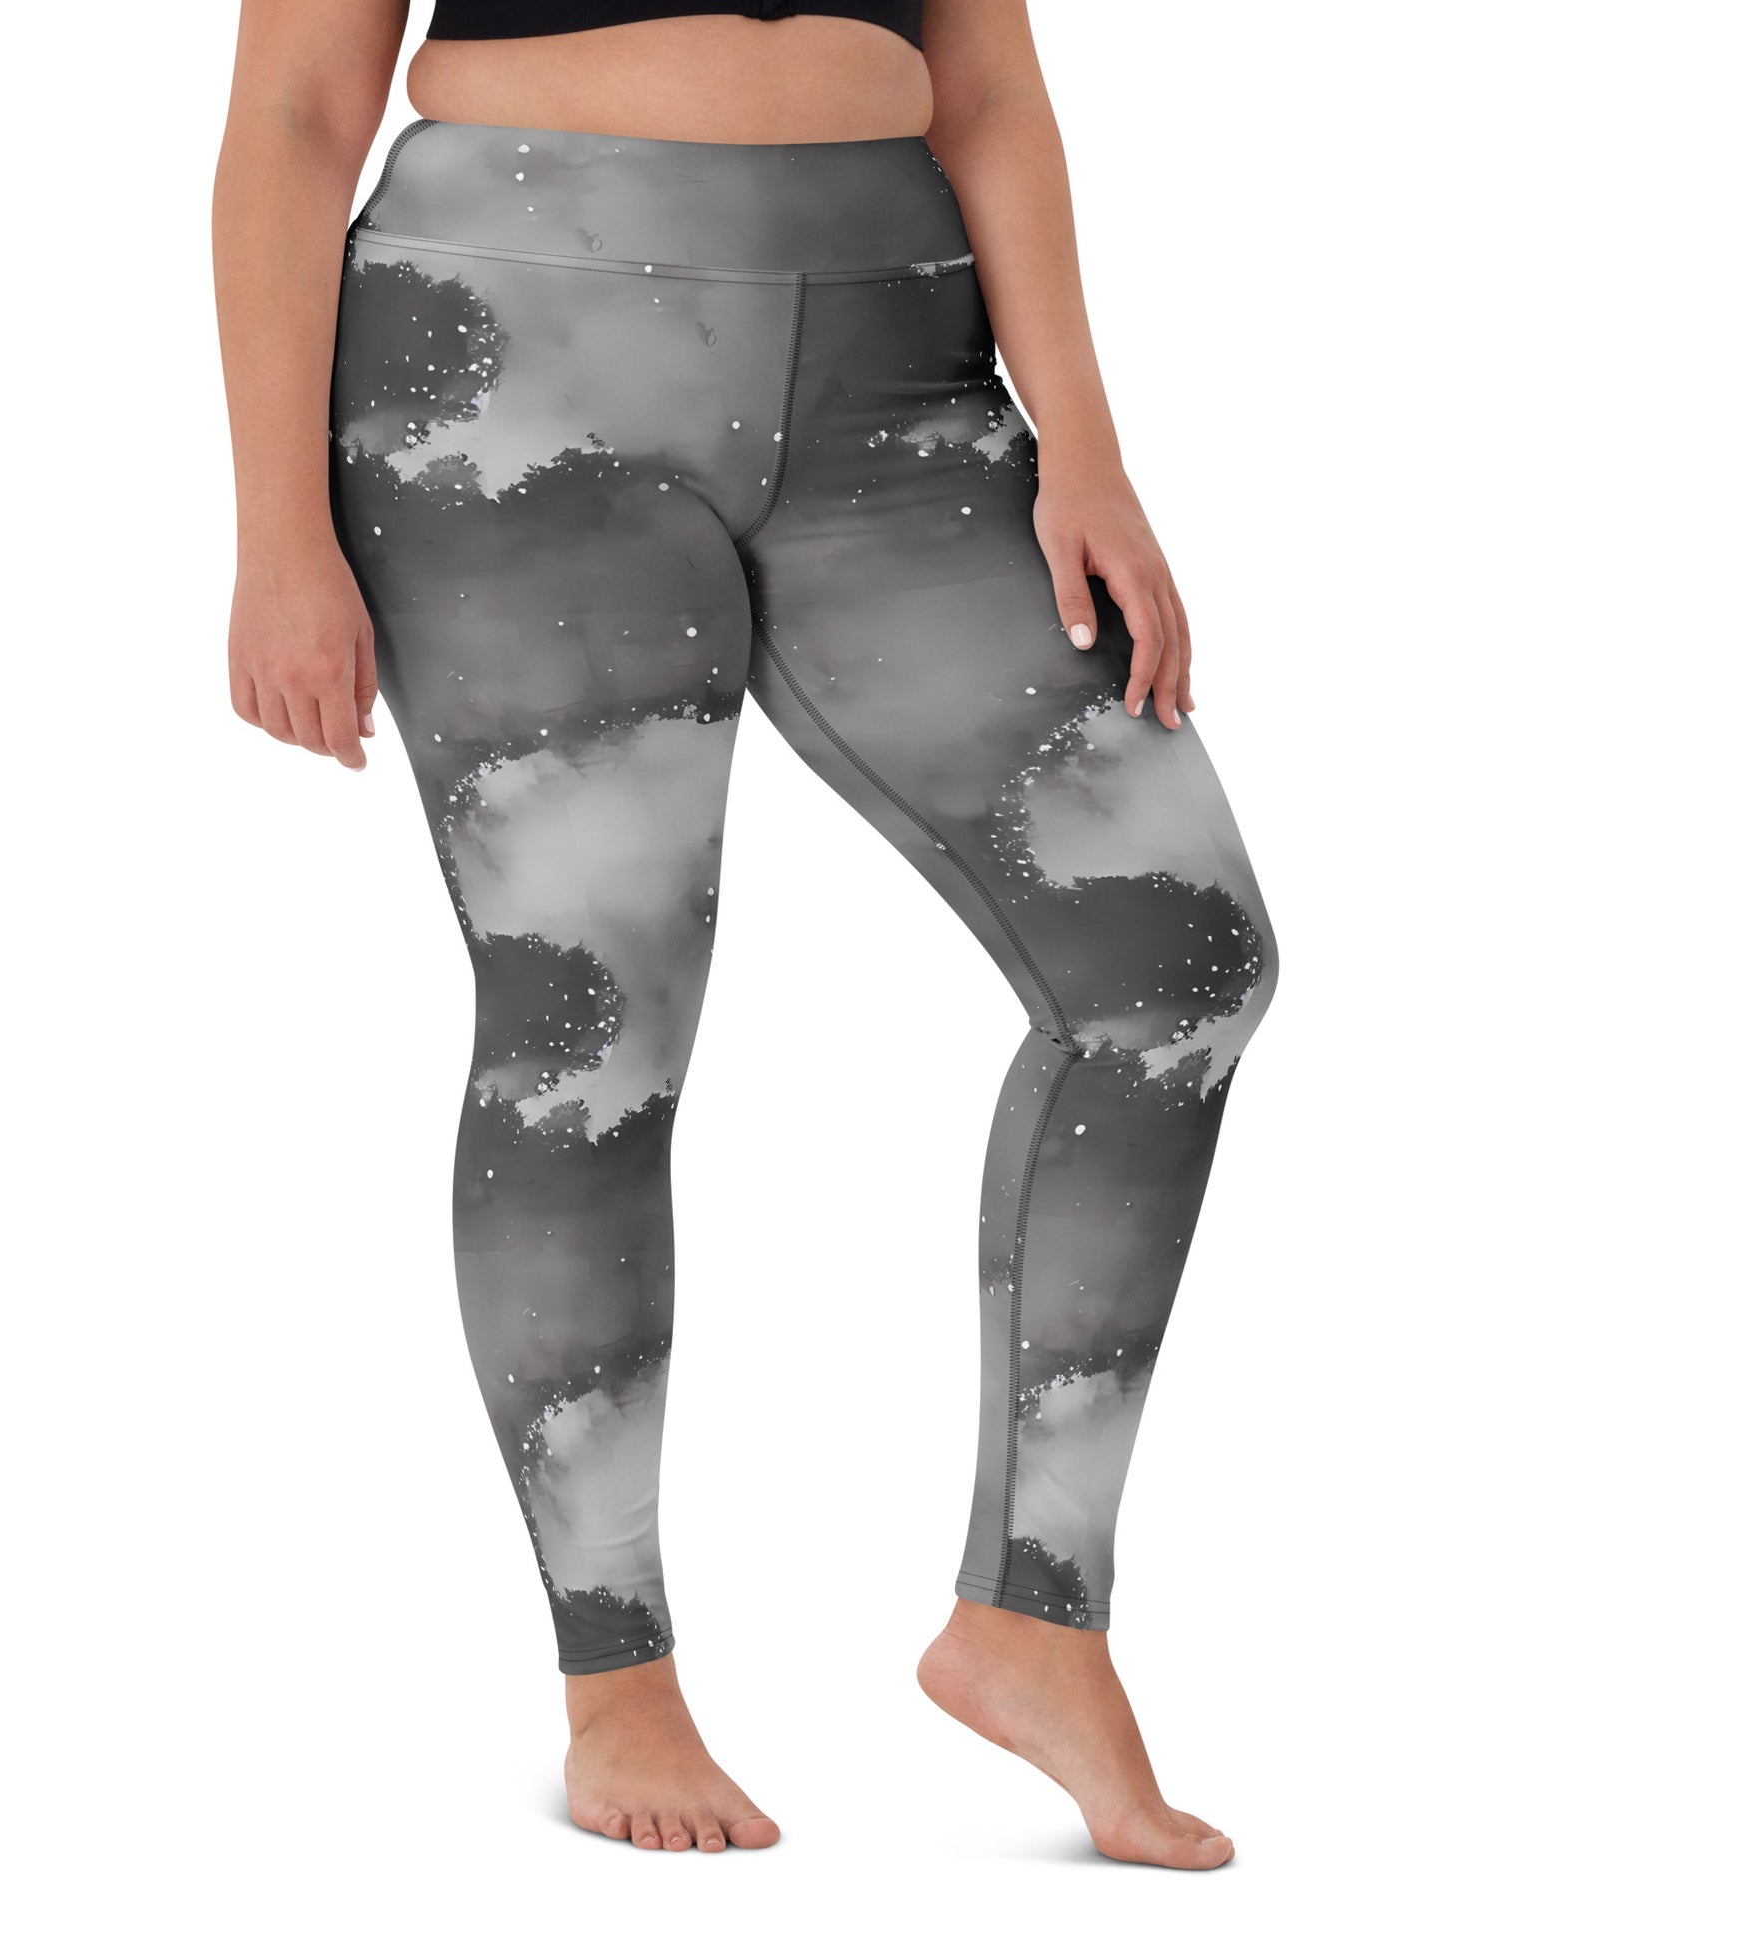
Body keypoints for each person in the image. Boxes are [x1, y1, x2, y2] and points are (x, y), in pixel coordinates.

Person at [213, 0, 1277, 1868]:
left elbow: (990, 86)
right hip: (514, 357)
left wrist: (1087, 446)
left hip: (900, 364)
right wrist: (274, 534)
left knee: (1176, 962)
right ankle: (615, 1670)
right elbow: (298, 107)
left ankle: (1033, 1613)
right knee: (590, 1028)